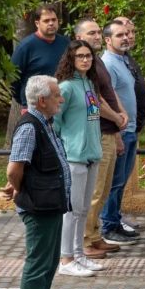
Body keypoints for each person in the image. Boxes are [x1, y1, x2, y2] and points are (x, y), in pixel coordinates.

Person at [5, 76, 72, 289]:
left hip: (50, 203)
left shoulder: (45, 122)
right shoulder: (30, 126)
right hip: (39, 205)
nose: (61, 99)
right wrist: (20, 188)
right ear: (42, 100)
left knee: (49, 260)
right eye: (57, 95)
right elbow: (13, 169)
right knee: (38, 262)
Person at [73, 19, 129, 256]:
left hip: (108, 132)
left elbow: (109, 91)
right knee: (94, 192)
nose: (97, 36)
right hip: (96, 133)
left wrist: (119, 118)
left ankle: (95, 235)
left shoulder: (97, 61)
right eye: (92, 32)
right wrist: (116, 117)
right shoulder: (82, 66)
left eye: (98, 32)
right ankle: (85, 241)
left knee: (104, 188)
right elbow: (95, 100)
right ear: (78, 38)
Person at [52, 41, 105, 276]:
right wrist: (63, 149)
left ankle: (79, 254)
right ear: (71, 59)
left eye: (89, 56)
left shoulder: (90, 84)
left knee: (83, 209)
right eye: (80, 56)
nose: (85, 60)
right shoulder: (65, 87)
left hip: (92, 154)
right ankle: (65, 259)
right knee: (71, 210)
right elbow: (54, 121)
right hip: (73, 156)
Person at [99, 20, 138, 247]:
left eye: (126, 34)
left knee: (120, 181)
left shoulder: (122, 60)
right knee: (114, 182)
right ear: (107, 40)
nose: (125, 38)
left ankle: (115, 220)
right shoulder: (107, 63)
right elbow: (107, 99)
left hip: (130, 130)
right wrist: (116, 132)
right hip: (120, 131)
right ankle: (108, 226)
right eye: (119, 35)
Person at [11, 4, 69, 108]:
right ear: (37, 23)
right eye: (46, 21)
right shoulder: (26, 46)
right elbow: (13, 79)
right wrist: (25, 101)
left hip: (63, 103)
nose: (51, 23)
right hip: (36, 106)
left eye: (54, 20)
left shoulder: (66, 43)